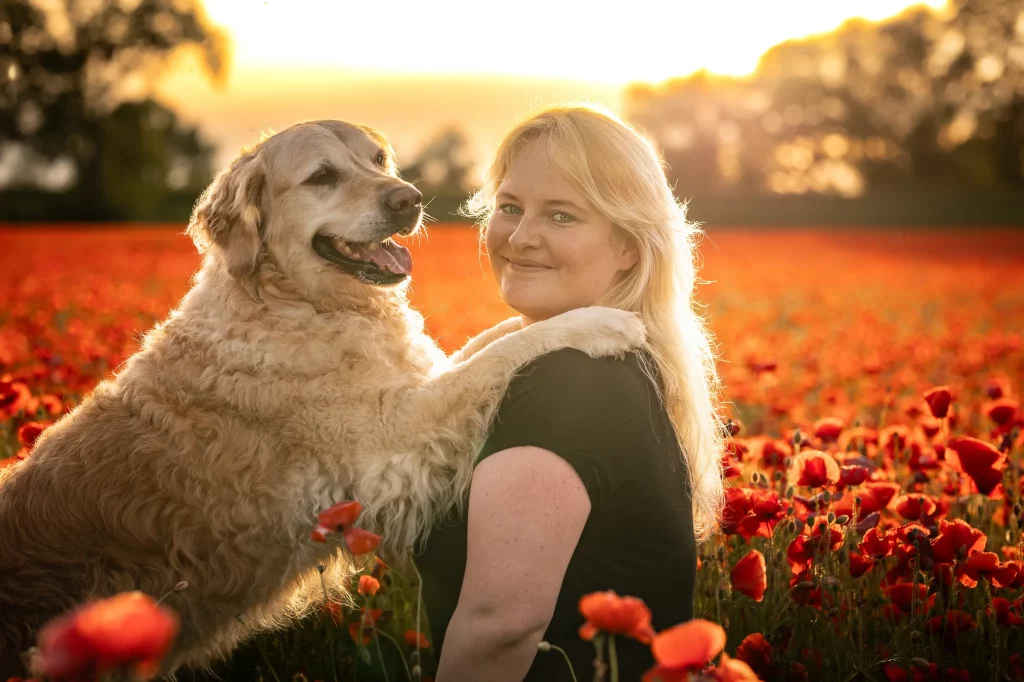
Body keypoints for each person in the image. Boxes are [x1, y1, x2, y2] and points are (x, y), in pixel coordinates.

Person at [413, 104, 726, 682]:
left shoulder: (569, 385)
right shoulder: (616, 362)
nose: (521, 237)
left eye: (561, 216)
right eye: (510, 208)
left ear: (629, 245)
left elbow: (498, 627)